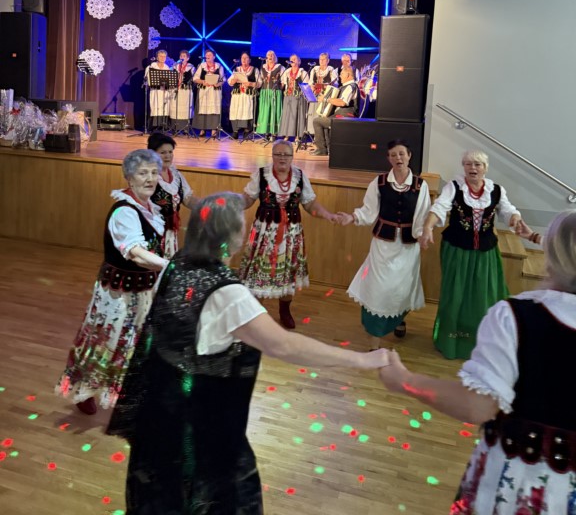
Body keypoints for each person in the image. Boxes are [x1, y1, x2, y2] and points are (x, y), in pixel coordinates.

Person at [107, 192, 390, 515]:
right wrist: (361, 360)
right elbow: (284, 345)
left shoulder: (176, 265)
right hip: (200, 426)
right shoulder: (227, 292)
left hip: (160, 415)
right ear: (234, 235)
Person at [379, 209, 576, 514]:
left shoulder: (516, 317)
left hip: (522, 486)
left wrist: (405, 380)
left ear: (552, 256)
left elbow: (478, 406)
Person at [55, 150, 167, 415]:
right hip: (118, 294)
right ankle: (84, 390)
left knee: (139, 342)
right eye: (143, 173)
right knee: (106, 342)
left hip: (143, 289)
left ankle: (131, 393)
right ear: (129, 177)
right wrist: (169, 266)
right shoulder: (124, 212)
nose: (150, 179)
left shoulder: (149, 208)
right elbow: (136, 253)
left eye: (154, 173)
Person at [420, 150, 522, 359]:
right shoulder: (454, 187)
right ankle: (452, 340)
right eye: (468, 164)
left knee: (484, 295)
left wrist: (515, 218)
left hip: (485, 252)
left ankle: (481, 341)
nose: (472, 168)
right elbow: (439, 208)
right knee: (455, 295)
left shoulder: (496, 190)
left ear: (485, 168)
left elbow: (508, 210)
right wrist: (428, 227)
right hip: (457, 250)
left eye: (477, 164)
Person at [337, 140, 431, 347]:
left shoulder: (420, 185)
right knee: (378, 289)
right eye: (393, 155)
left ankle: (399, 319)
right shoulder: (379, 182)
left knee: (402, 288)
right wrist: (352, 217)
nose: (398, 158)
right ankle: (374, 343)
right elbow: (368, 211)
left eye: (402, 154)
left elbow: (422, 215)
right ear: (388, 158)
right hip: (383, 245)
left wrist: (422, 234)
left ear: (409, 156)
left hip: (408, 247)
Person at [239, 139, 337, 329]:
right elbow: (248, 199)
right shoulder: (262, 174)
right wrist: (230, 204)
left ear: (292, 157)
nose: (282, 158)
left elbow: (309, 203)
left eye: (286, 154)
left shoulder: (300, 176)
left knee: (288, 275)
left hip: (291, 234)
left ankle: (285, 311)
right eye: (278, 154)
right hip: (264, 233)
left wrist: (327, 214)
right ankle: (255, 317)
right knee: (259, 274)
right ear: (272, 156)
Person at [147, 132, 195, 258]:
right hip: (151, 231)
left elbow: (188, 199)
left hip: (170, 232)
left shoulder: (176, 175)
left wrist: (209, 206)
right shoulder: (147, 177)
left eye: (170, 152)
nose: (168, 156)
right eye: (163, 152)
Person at [311, 65, 358, 157]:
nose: (340, 76)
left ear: (348, 75)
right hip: (340, 115)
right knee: (323, 119)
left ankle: (322, 149)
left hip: (346, 116)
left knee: (317, 121)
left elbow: (342, 103)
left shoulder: (351, 87)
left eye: (342, 74)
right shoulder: (344, 87)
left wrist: (326, 99)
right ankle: (328, 149)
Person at [228, 52, 260, 140]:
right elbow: (230, 82)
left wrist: (250, 83)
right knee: (235, 111)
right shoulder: (236, 69)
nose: (244, 60)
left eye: (246, 58)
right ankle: (235, 131)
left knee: (247, 111)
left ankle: (247, 131)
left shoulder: (254, 70)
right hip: (237, 95)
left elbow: (259, 83)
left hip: (247, 95)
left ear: (249, 60)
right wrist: (234, 80)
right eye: (242, 58)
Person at [193, 49, 224, 138]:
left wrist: (218, 83)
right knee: (203, 109)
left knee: (214, 109)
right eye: (206, 55)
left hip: (214, 91)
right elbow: (195, 78)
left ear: (214, 56)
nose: (208, 56)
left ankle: (214, 129)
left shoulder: (219, 66)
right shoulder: (202, 65)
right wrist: (203, 82)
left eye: (210, 55)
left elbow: (223, 79)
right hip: (204, 90)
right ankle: (202, 129)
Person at [278, 54, 309, 142]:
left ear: (299, 62)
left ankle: (297, 136)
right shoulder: (287, 72)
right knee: (288, 116)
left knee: (297, 116)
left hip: (299, 97)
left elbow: (306, 87)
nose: (293, 60)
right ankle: (287, 135)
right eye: (291, 59)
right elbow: (284, 84)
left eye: (295, 59)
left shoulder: (303, 73)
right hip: (288, 97)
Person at [307, 52, 338, 137]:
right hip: (315, 96)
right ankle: (313, 134)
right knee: (313, 114)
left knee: (322, 115)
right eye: (320, 59)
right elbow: (310, 82)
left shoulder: (331, 70)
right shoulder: (314, 69)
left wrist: (326, 87)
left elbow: (335, 84)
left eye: (324, 59)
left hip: (325, 97)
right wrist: (312, 87)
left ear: (328, 60)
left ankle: (321, 136)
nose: (321, 61)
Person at [255, 50, 284, 139]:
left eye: (272, 55)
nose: (270, 56)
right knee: (265, 111)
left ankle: (274, 132)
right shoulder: (263, 67)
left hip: (275, 92)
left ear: (275, 57)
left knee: (274, 111)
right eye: (268, 55)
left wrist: (279, 90)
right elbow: (260, 80)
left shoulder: (280, 67)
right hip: (265, 92)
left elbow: (283, 82)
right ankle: (266, 132)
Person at [144, 49, 172, 131]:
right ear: (157, 57)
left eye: (164, 56)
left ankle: (163, 126)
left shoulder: (167, 68)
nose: (163, 58)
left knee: (164, 108)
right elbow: (148, 79)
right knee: (155, 108)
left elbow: (169, 80)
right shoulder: (151, 66)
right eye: (161, 56)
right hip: (155, 90)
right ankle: (154, 127)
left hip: (164, 91)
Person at [169, 49, 194, 132]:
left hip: (185, 90)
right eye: (181, 56)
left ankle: (185, 128)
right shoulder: (175, 66)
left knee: (185, 108)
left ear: (188, 58)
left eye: (184, 56)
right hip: (176, 89)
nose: (182, 57)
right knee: (175, 107)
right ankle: (175, 127)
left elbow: (193, 79)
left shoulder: (191, 67)